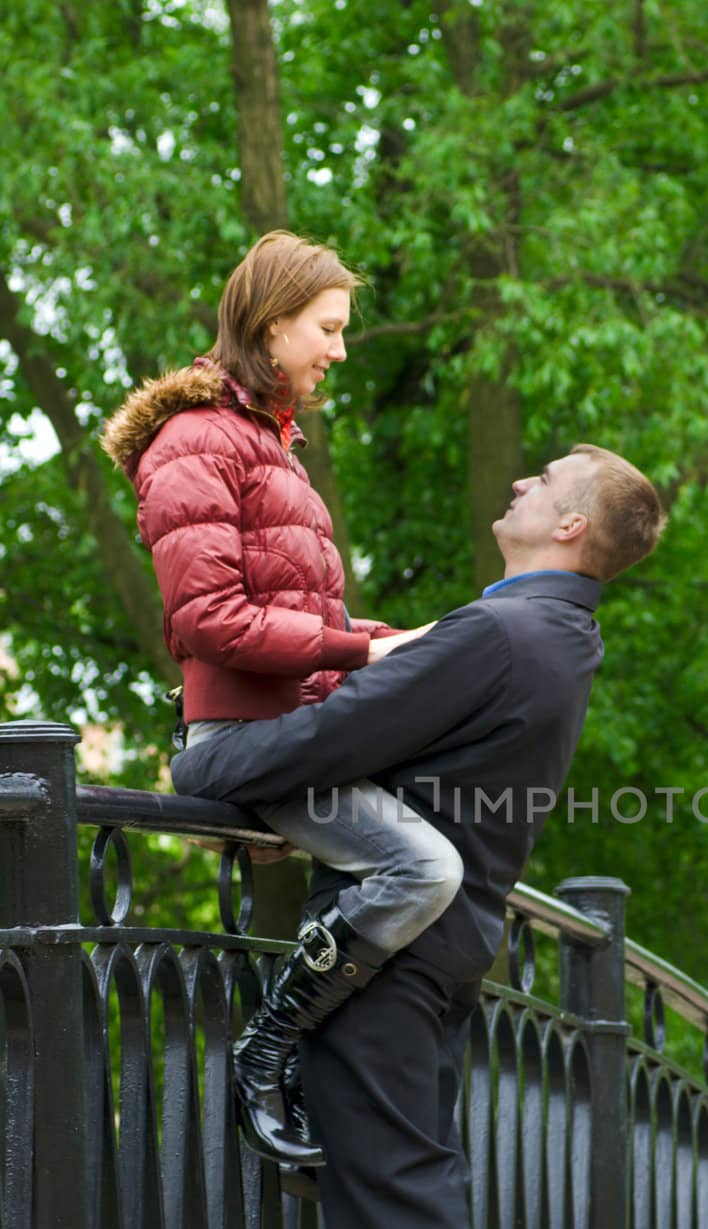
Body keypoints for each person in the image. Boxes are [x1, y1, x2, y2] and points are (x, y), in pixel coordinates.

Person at [169, 443, 666, 1229]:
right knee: (411, 1188)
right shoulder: (561, 635)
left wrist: (206, 768)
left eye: (543, 482)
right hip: (449, 938)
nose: (521, 483)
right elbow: (401, 762)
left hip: (397, 953)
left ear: (573, 528)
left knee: (394, 1193)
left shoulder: (495, 632)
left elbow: (335, 732)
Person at [100, 231, 463, 1169]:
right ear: (271, 326)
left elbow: (303, 614)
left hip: (299, 732)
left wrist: (403, 647)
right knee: (425, 871)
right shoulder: (197, 443)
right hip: (240, 741)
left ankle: (334, 1068)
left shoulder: (270, 445)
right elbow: (214, 619)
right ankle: (266, 1053)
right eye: (328, 329)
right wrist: (363, 646)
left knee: (460, 821)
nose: (340, 350)